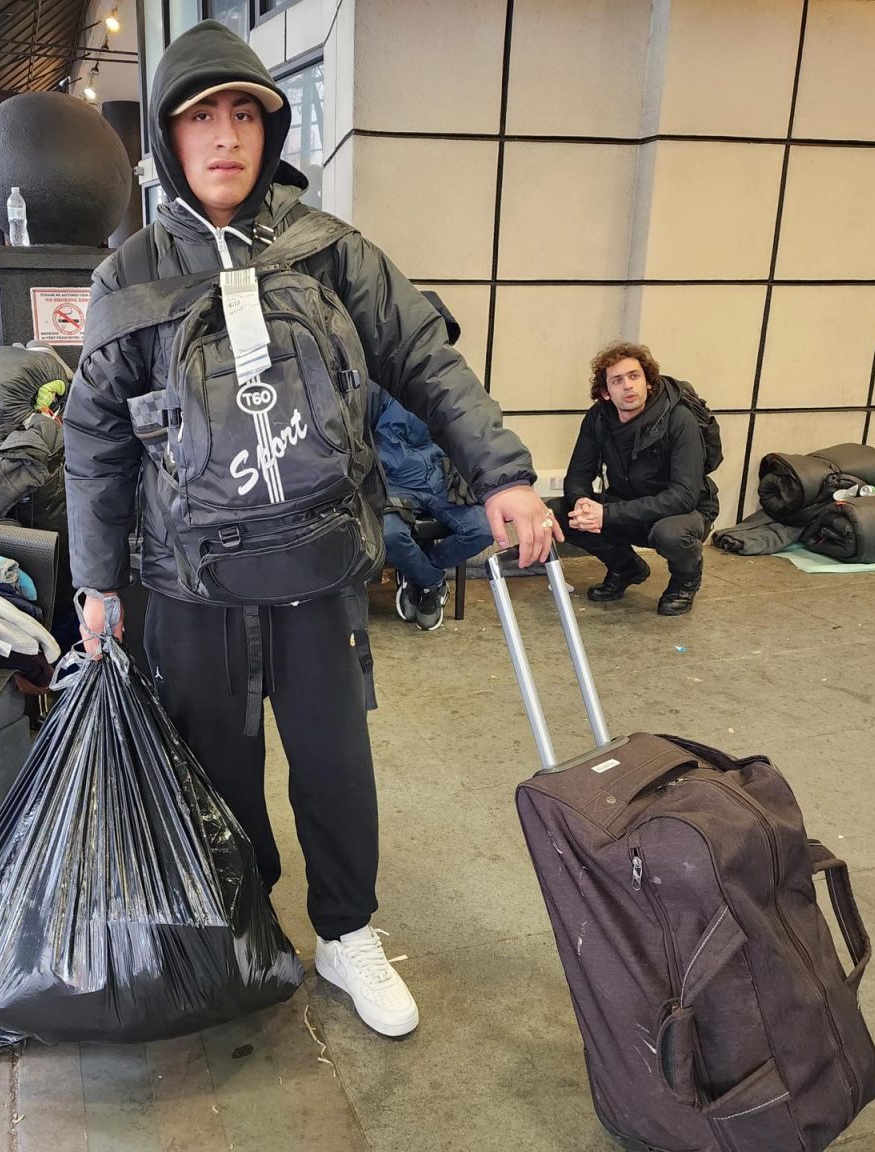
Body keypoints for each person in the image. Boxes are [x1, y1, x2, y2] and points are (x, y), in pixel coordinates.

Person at [63, 20, 559, 1040]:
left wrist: (501, 473)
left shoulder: (329, 252)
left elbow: (425, 356)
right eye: (203, 116)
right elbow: (94, 441)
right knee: (219, 772)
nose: (226, 136)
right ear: (169, 137)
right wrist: (96, 581)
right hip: (192, 584)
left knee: (335, 762)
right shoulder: (132, 278)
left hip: (318, 564)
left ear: (271, 126)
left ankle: (347, 933)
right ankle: (249, 936)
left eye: (244, 112)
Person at [549, 342, 718, 616]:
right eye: (617, 380)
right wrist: (581, 502)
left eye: (634, 376)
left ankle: (685, 582)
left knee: (671, 534)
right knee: (560, 512)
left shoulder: (679, 419)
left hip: (683, 512)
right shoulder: (598, 418)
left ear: (648, 382)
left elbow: (684, 495)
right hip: (626, 502)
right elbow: (579, 473)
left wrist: (607, 513)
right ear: (605, 392)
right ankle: (626, 567)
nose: (628, 386)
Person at [373, 383, 493, 631]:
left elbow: (475, 428)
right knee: (389, 534)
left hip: (441, 477)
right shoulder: (375, 385)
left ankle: (420, 570)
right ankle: (431, 581)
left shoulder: (446, 383)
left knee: (484, 528)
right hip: (395, 481)